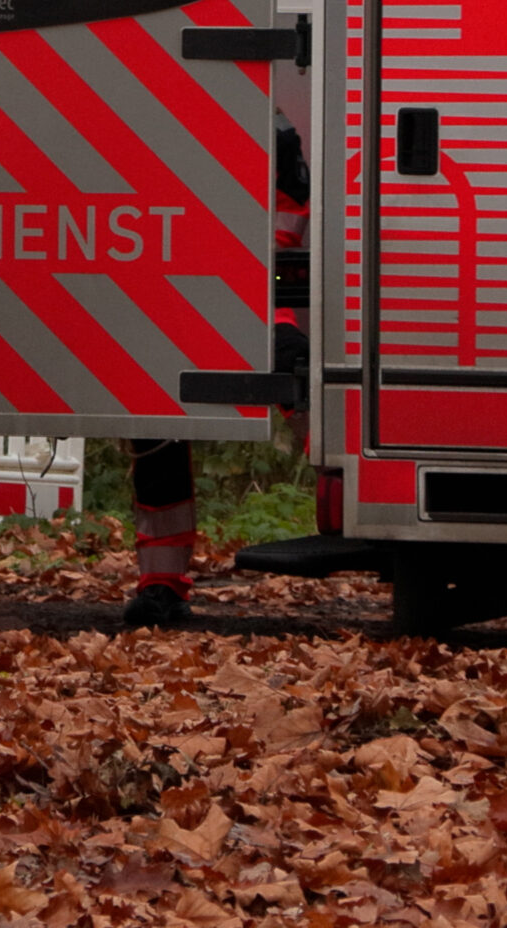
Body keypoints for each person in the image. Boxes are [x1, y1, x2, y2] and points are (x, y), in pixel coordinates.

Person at [122, 108, 311, 628]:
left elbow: (280, 230)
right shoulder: (153, 109)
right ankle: (161, 583)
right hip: (165, 292)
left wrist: (269, 318)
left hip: (241, 301)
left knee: (161, 432)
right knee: (156, 435)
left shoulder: (269, 129)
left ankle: (163, 584)